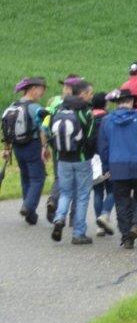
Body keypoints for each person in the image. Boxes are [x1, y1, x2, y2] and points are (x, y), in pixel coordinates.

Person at [98, 88, 137, 249]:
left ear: (117, 103)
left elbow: (103, 147)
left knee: (121, 201)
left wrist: (106, 167)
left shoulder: (106, 121)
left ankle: (127, 237)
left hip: (117, 167)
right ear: (131, 101)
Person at [50, 79, 97, 245]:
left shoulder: (58, 109)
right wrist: (90, 154)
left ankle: (59, 218)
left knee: (65, 192)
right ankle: (78, 233)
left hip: (62, 158)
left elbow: (51, 134)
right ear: (83, 94)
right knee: (83, 195)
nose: (91, 96)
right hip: (82, 158)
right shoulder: (86, 112)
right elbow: (91, 138)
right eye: (90, 93)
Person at [2, 77, 48, 225]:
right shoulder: (35, 108)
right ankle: (27, 206)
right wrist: (45, 147)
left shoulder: (12, 106)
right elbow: (43, 129)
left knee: (25, 178)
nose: (43, 92)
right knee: (38, 178)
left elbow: (7, 130)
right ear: (33, 89)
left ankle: (30, 214)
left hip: (17, 147)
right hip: (33, 146)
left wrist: (6, 149)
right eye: (42, 89)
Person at [43, 74, 81, 222]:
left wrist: (45, 145)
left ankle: (53, 199)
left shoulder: (54, 102)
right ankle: (74, 216)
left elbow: (45, 125)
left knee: (60, 176)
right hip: (75, 146)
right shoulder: (80, 104)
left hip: (57, 143)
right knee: (78, 181)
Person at [90, 92, 115, 236]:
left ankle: (99, 226)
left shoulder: (88, 118)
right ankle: (104, 215)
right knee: (113, 190)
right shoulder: (109, 119)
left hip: (92, 160)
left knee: (98, 192)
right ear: (105, 104)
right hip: (107, 158)